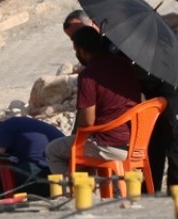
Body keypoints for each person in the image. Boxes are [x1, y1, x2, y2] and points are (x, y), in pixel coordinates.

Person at [74, 0, 178, 189]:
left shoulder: (123, 4)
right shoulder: (109, 6)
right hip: (150, 87)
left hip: (171, 83)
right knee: (153, 143)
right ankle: (150, 197)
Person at [45, 26, 142, 176]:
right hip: (137, 143)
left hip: (109, 146)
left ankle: (73, 194)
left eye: (76, 51)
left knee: (53, 151)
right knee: (81, 145)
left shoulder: (89, 76)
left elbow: (88, 122)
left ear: (82, 51)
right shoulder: (125, 65)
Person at [0, 117, 60, 197]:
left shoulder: (3, 128)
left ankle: (8, 200)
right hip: (64, 175)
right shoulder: (19, 128)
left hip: (46, 172)